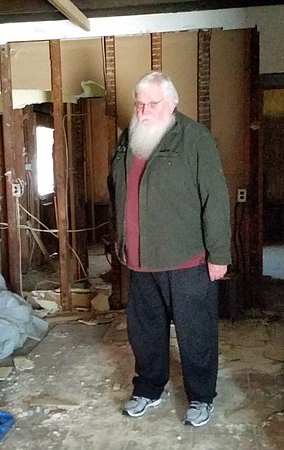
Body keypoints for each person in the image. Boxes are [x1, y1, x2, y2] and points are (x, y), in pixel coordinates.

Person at [108, 71, 232, 427]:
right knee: (145, 333)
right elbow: (117, 191)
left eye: (152, 103)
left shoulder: (195, 139)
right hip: (141, 260)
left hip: (187, 259)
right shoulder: (127, 139)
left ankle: (202, 396)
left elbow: (215, 199)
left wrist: (219, 255)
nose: (144, 110)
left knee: (196, 334)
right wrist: (121, 239)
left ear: (172, 104)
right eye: (140, 103)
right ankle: (148, 388)